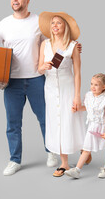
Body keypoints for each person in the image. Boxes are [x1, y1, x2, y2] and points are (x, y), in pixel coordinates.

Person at [0, 0, 60, 176]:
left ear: (27, 1)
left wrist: (60, 62)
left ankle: (51, 152)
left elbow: (55, 44)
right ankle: (14, 160)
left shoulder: (38, 22)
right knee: (13, 123)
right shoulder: (3, 24)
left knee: (46, 119)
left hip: (37, 79)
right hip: (11, 83)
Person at [38, 11, 89, 177]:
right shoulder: (44, 45)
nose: (55, 26)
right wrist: (43, 67)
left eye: (58, 23)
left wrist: (76, 96)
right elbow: (38, 68)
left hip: (68, 88)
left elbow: (78, 73)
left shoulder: (73, 45)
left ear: (65, 26)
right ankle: (64, 163)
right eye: (52, 23)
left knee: (71, 120)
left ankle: (84, 149)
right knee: (57, 122)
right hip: (50, 88)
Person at [65, 73, 105, 179]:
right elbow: (86, 107)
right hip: (92, 127)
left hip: (104, 126)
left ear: (103, 87)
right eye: (92, 84)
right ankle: (77, 170)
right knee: (86, 148)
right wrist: (77, 109)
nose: (93, 87)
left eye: (96, 85)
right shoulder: (88, 95)